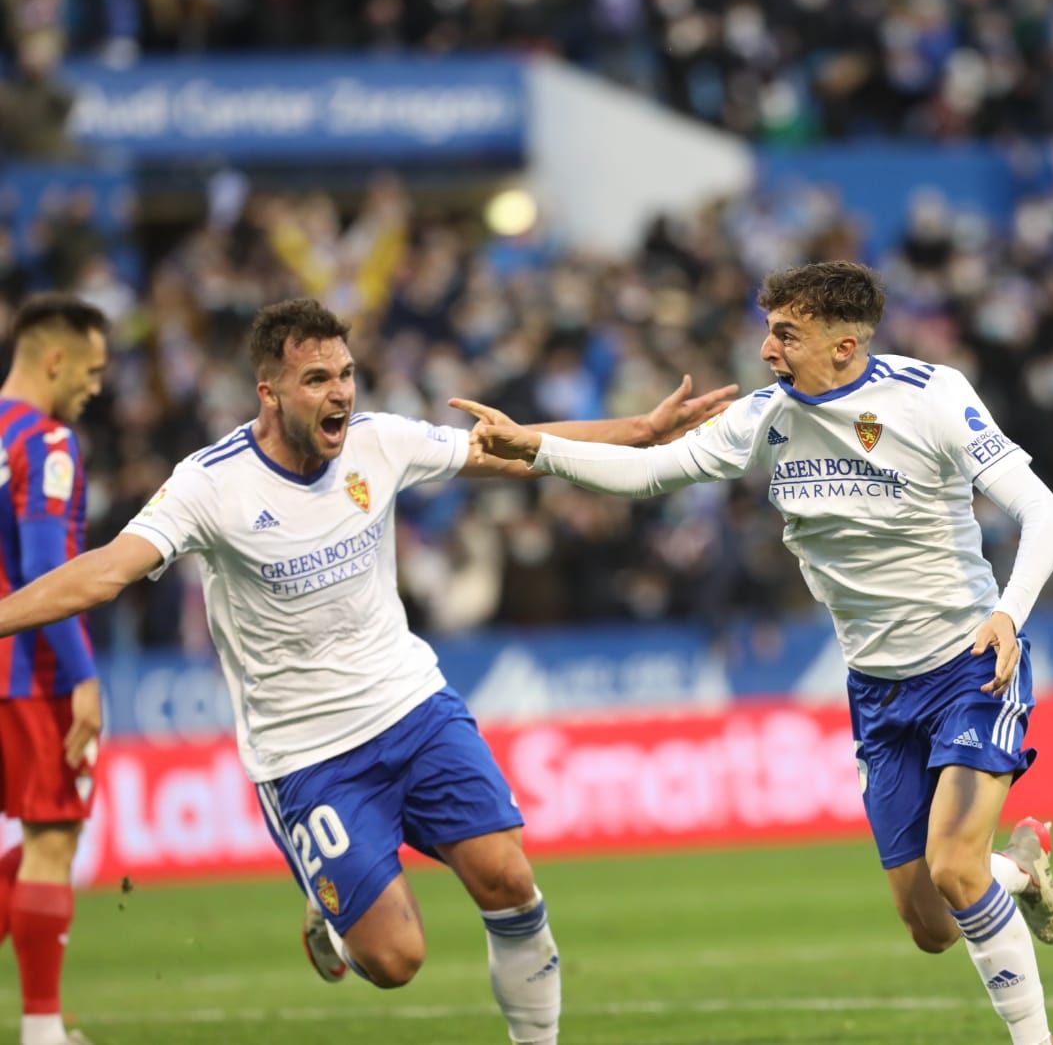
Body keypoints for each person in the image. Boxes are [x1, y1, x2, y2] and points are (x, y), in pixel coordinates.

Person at [0, 298, 733, 1044]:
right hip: (307, 755)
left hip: (413, 707)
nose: (341, 393)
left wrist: (639, 432)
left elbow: (509, 447)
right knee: (394, 960)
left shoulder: (380, 441)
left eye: (346, 374)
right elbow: (104, 572)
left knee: (508, 879)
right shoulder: (209, 484)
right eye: (317, 378)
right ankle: (335, 919)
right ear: (270, 392)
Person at [454, 261, 1053, 1045]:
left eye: (787, 334)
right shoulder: (766, 417)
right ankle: (1019, 867)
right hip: (878, 692)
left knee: (955, 868)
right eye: (769, 329)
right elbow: (648, 471)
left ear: (845, 347)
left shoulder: (933, 396)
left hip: (970, 665)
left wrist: (1010, 615)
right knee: (931, 925)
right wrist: (533, 446)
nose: (767, 350)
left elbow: (1047, 516)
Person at [0, 294, 107, 1045]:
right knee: (51, 838)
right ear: (56, 358)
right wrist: (83, 678)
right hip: (29, 670)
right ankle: (42, 1032)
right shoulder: (47, 443)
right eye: (93, 370)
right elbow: (46, 567)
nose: (96, 387)